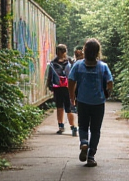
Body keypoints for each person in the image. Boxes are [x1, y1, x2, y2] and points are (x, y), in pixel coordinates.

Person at [68, 38, 113, 167]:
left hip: (82, 101)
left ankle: (83, 142)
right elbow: (110, 83)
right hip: (98, 103)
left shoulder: (78, 65)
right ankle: (91, 156)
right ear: (98, 51)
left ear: (84, 51)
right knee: (95, 129)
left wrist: (72, 97)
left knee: (82, 126)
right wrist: (107, 94)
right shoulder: (103, 67)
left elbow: (71, 81)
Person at [47, 44, 78, 136]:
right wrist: (49, 84)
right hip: (61, 87)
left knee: (67, 108)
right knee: (61, 107)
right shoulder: (56, 62)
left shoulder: (70, 62)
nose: (59, 54)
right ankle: (63, 126)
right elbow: (50, 74)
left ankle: (71, 126)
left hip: (66, 88)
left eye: (60, 52)